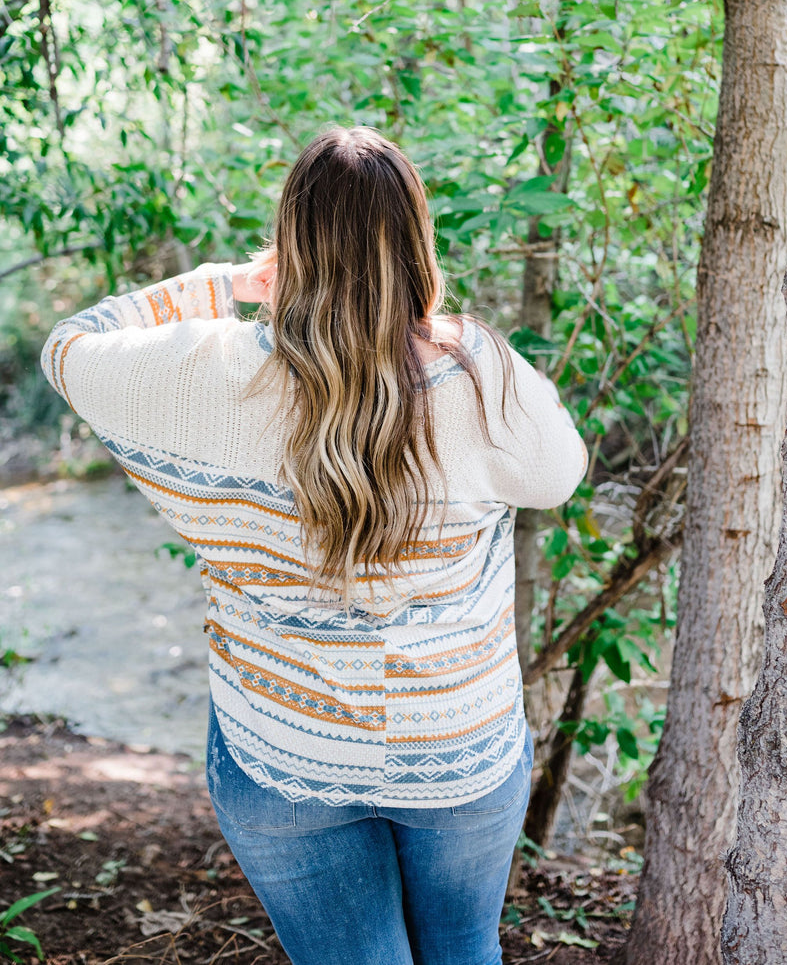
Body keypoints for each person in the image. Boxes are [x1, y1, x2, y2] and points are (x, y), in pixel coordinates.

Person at [41, 125, 588, 965]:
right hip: (457, 744)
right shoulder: (475, 369)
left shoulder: (205, 370)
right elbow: (561, 472)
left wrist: (229, 283)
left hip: (285, 744)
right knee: (464, 950)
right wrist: (457, 335)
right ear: (415, 242)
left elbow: (68, 347)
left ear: (290, 242)